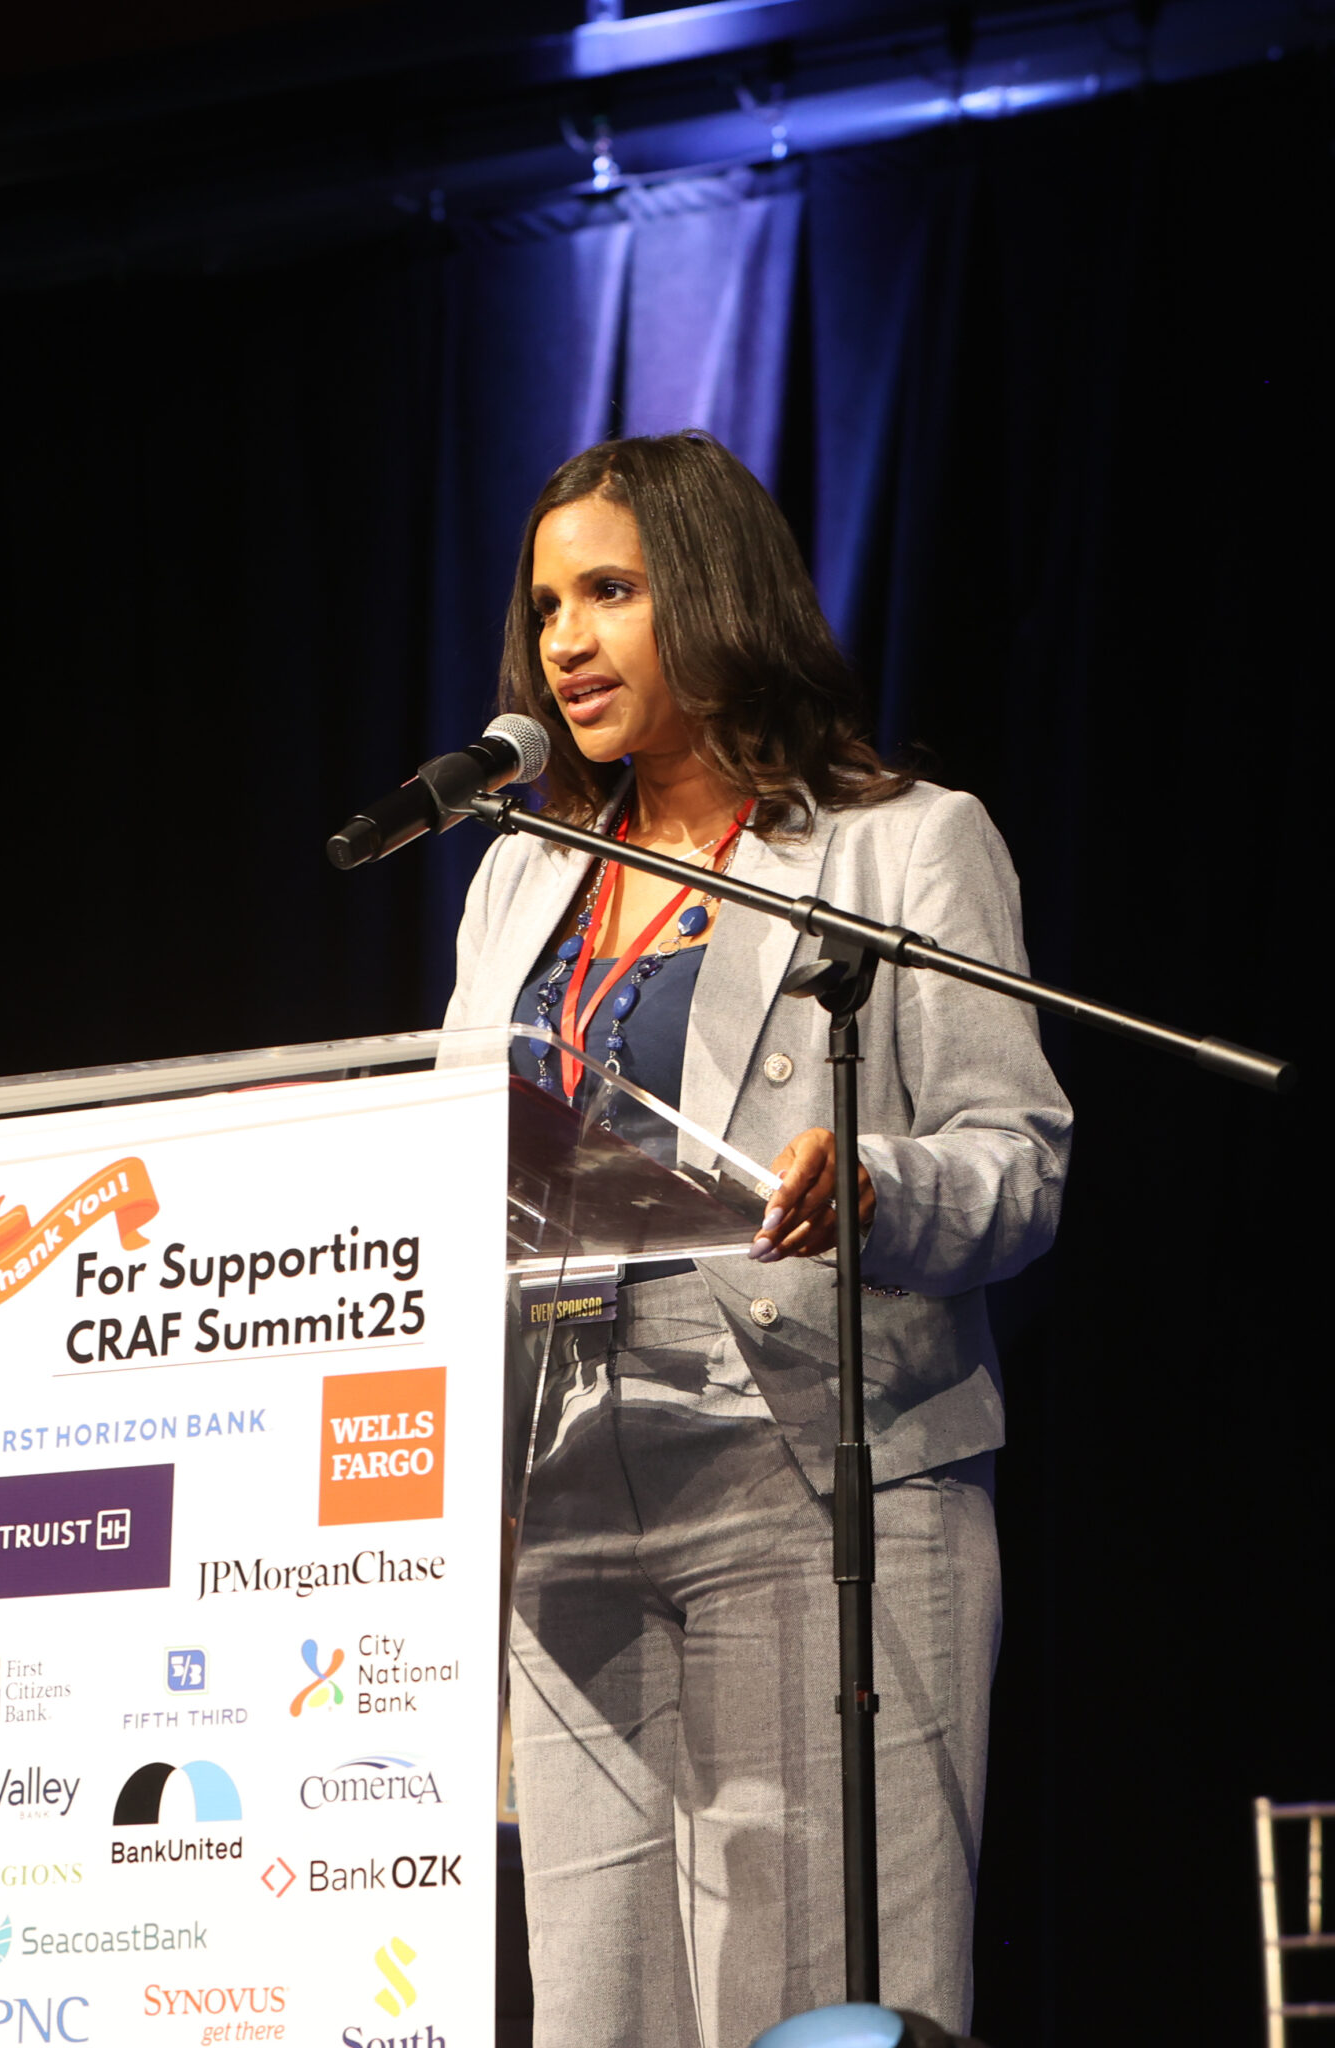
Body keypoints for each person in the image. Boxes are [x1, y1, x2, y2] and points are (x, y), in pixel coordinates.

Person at [441, 433, 1069, 2047]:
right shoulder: (520, 876)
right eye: (547, 606)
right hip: (564, 1487)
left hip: (810, 1461)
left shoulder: (902, 842)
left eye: (610, 592)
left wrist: (877, 1185)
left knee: (817, 2002)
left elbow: (1018, 1161)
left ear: (714, 593)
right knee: (599, 2011)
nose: (566, 640)